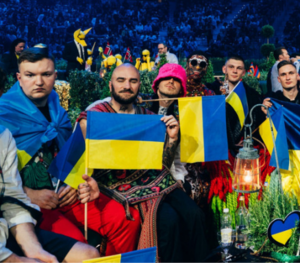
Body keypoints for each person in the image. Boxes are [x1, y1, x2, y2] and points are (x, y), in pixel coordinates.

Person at [0, 46, 140, 256]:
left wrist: (76, 183)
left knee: (128, 220)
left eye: (46, 74)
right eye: (30, 75)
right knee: (79, 246)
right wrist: (30, 194)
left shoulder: (57, 107)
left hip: (66, 193)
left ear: (55, 76)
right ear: (19, 77)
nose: (39, 82)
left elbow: (71, 152)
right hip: (28, 203)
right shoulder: (5, 113)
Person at [77, 64, 209, 262]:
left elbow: (160, 163)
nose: (127, 86)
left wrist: (172, 139)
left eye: (133, 81)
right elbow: (83, 133)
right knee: (168, 221)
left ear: (139, 85)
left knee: (195, 215)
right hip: (117, 185)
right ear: (111, 84)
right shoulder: (98, 113)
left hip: (156, 181)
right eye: (121, 80)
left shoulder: (148, 117)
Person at [0, 125, 100, 263]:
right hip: (37, 210)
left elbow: (11, 198)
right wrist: (13, 259)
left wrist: (34, 250)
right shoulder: (8, 116)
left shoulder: (3, 135)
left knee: (88, 256)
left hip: (9, 227)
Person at [218, 55, 264, 153]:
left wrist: (247, 139)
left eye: (239, 68)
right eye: (231, 67)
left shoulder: (253, 95)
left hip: (243, 149)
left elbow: (257, 122)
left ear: (243, 73)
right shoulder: (211, 92)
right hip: (218, 148)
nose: (235, 71)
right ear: (224, 69)